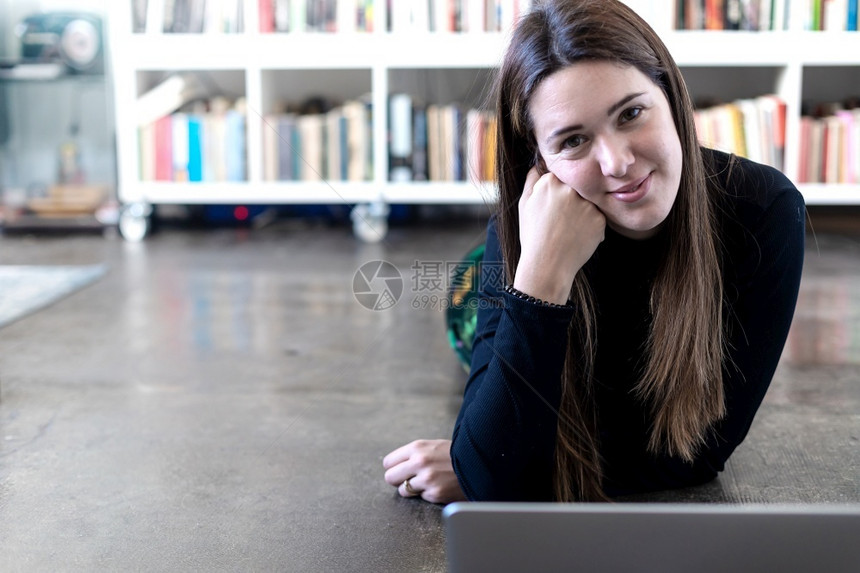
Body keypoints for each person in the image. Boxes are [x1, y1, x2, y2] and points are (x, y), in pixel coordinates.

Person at [383, 0, 805, 503]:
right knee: (474, 317)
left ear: (671, 97)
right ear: (540, 162)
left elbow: (696, 455)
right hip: (478, 286)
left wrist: (494, 463)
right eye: (573, 140)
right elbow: (493, 475)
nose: (618, 162)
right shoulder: (518, 233)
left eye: (630, 114)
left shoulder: (763, 210)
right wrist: (540, 281)